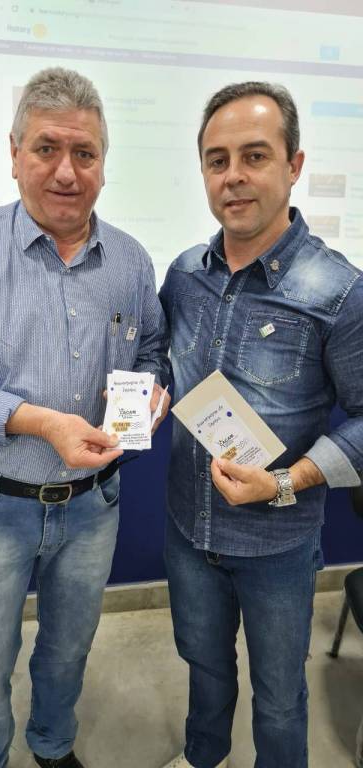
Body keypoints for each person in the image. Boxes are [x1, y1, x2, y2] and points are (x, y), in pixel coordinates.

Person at [0, 67, 170, 768]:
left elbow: (149, 350)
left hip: (94, 506)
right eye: (46, 149)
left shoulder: (130, 261)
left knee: (68, 650)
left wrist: (148, 394)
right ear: (14, 155)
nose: (66, 171)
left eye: (84, 153)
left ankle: (52, 744)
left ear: (103, 163)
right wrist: (41, 422)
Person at [159, 81, 363, 768]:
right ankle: (204, 756)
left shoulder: (339, 293)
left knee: (278, 698)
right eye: (217, 161)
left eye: (254, 156)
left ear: (294, 165)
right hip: (189, 530)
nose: (234, 177)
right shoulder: (184, 274)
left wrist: (285, 481)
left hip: (277, 543)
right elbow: (159, 361)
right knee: (204, 667)